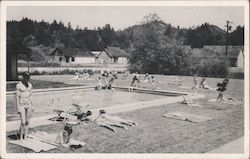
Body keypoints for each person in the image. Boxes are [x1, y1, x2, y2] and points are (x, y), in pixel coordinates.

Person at [16, 72, 33, 140]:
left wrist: (32, 105)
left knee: (27, 121)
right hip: (22, 105)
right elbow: (17, 97)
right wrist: (18, 108)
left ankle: (25, 136)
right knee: (23, 122)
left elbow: (31, 96)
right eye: (27, 78)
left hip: (29, 104)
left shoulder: (30, 85)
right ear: (23, 77)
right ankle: (20, 137)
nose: (28, 79)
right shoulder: (19, 85)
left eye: (29, 78)